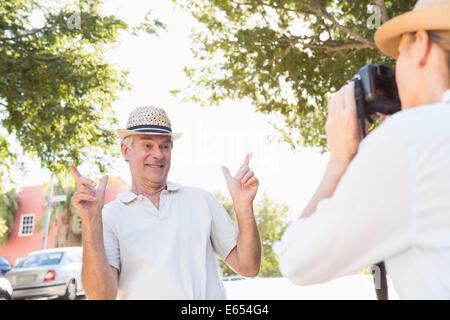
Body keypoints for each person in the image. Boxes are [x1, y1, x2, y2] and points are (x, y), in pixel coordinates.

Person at [273, 0, 450, 299]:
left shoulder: (410, 138)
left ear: (420, 44)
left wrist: (340, 161)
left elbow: (297, 261)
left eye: (399, 58)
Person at [70, 106, 261, 299]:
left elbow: (249, 267)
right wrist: (91, 222)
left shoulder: (202, 201)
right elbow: (101, 296)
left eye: (165, 146)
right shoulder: (110, 216)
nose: (159, 154)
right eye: (147, 145)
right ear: (125, 150)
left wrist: (244, 206)